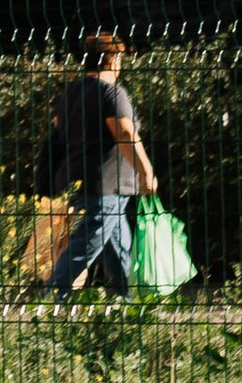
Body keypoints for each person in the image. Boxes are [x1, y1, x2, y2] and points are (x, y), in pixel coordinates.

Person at [43, 34, 157, 297]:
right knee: (84, 246)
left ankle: (123, 303)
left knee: (119, 246)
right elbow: (125, 133)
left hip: (75, 179)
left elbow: (59, 133)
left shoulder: (70, 93)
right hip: (105, 185)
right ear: (113, 60)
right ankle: (50, 303)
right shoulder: (111, 93)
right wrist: (145, 170)